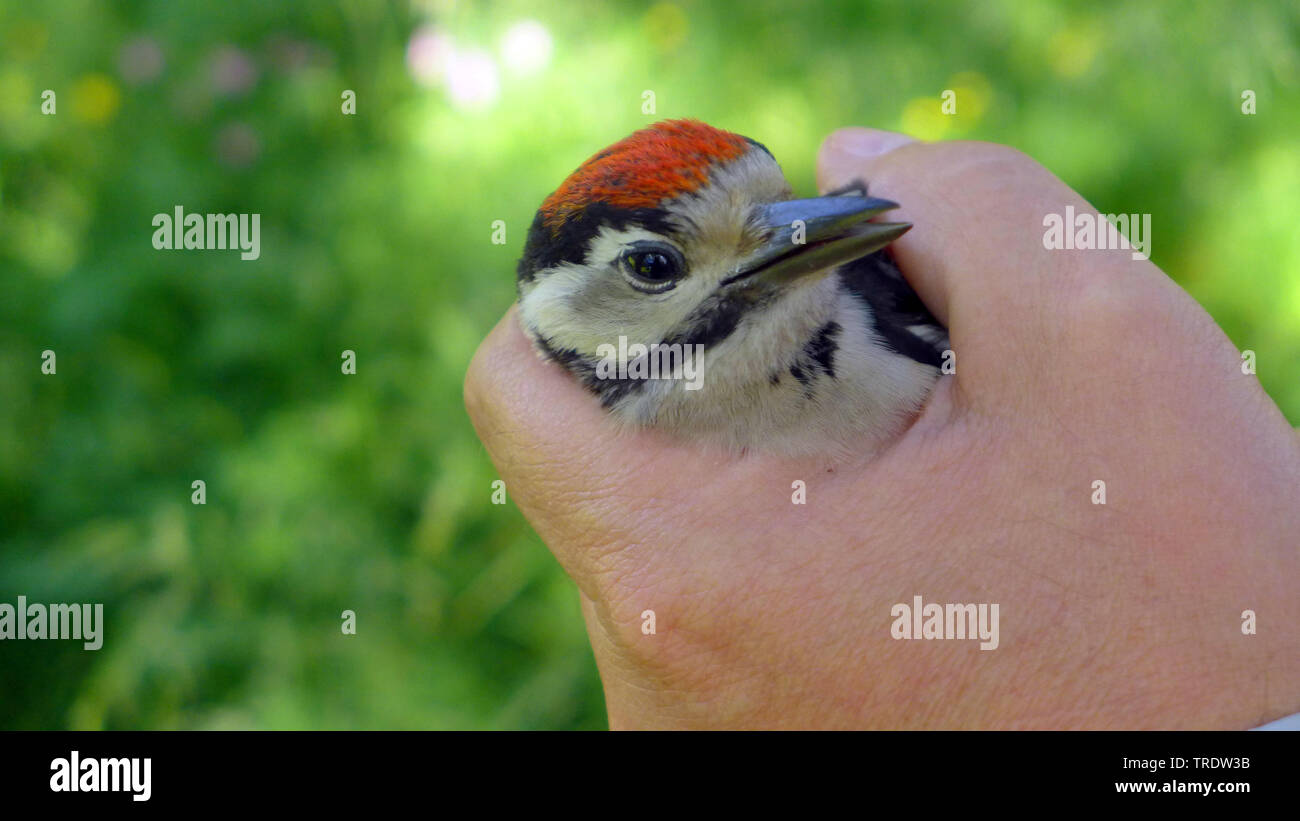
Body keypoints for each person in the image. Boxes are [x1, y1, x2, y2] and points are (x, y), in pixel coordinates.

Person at [464, 128, 1300, 729]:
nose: (802, 235)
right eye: (656, 266)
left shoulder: (909, 310)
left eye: (777, 206)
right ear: (567, 322)